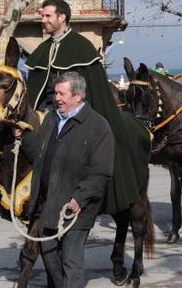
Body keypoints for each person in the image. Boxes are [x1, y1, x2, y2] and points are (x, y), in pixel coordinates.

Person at [25, 0, 149, 216]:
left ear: (62, 18)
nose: (42, 20)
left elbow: (95, 91)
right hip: (48, 116)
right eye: (42, 16)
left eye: (47, 16)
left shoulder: (81, 47)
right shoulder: (42, 51)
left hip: (77, 117)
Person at [13, 72, 114, 288]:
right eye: (56, 93)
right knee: (50, 259)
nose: (57, 98)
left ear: (78, 96)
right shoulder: (51, 119)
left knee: (71, 261)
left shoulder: (98, 126)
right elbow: (39, 155)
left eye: (62, 93)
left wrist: (80, 198)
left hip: (75, 207)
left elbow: (101, 171)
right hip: (47, 204)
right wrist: (23, 140)